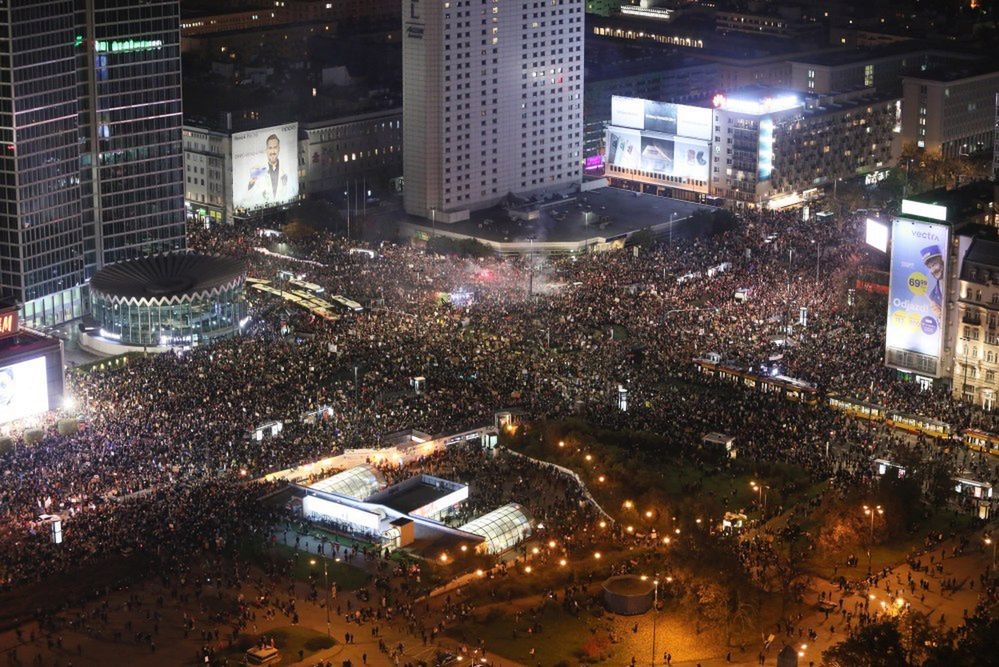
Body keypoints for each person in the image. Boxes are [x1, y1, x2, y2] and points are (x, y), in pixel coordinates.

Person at [243, 133, 294, 208]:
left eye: (275, 147)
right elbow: (247, 197)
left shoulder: (287, 169)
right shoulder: (259, 171)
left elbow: (292, 190)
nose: (273, 151)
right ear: (266, 150)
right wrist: (251, 182)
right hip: (264, 211)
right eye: (270, 148)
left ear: (279, 149)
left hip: (282, 208)